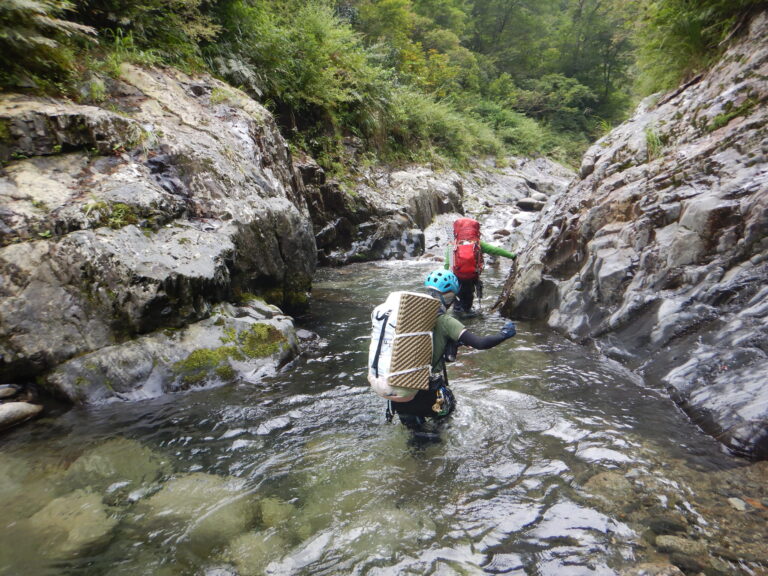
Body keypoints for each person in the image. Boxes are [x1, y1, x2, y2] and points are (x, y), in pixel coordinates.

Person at [388, 269, 518, 431]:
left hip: (398, 392)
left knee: (416, 438)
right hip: (427, 395)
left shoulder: (403, 316)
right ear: (448, 297)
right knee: (446, 415)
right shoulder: (445, 321)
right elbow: (481, 343)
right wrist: (504, 334)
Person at [445, 219, 516, 314]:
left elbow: (447, 264)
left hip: (456, 278)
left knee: (457, 299)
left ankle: (458, 312)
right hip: (471, 277)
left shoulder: (453, 245)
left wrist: (445, 275)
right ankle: (468, 314)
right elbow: (495, 250)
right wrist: (512, 256)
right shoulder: (477, 244)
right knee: (468, 297)